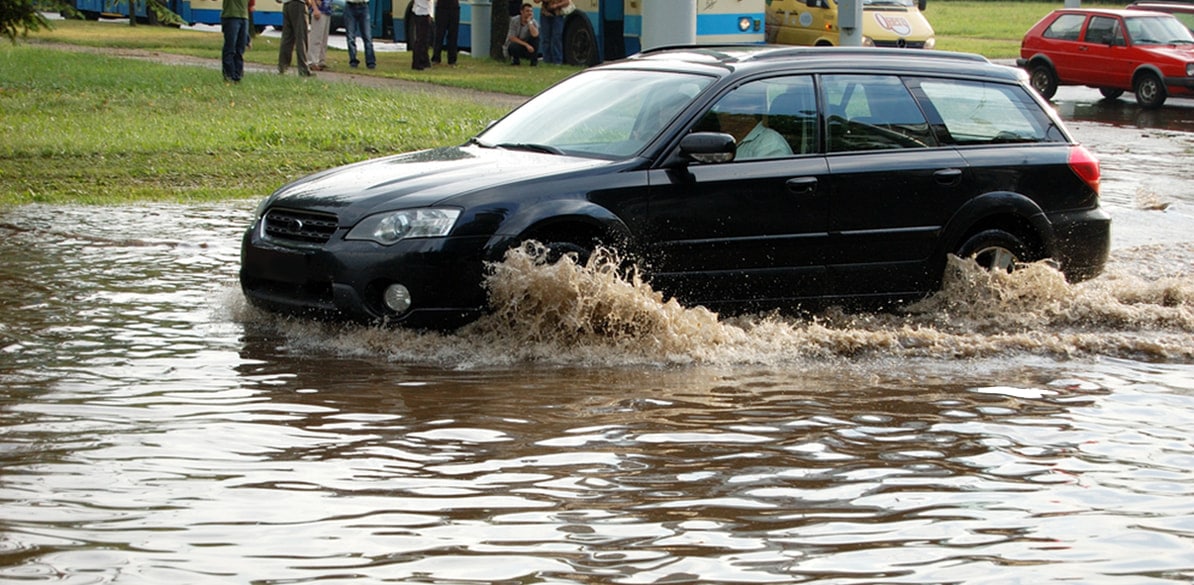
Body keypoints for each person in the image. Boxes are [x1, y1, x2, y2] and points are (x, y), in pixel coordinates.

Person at [710, 87, 792, 160]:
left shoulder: (770, 145)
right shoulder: (727, 139)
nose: (719, 112)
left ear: (748, 112)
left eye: (727, 107)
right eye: (720, 107)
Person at [278, 0, 319, 77]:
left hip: (286, 4)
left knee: (287, 38)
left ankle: (282, 67)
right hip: (299, 4)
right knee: (301, 37)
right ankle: (303, 69)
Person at [220, 0, 250, 82]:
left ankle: (237, 76)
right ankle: (229, 75)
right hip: (231, 16)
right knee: (230, 48)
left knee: (240, 49)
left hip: (244, 17)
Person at [534, 0, 570, 65]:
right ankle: (547, 60)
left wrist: (556, 5)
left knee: (557, 38)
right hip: (545, 14)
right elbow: (536, 1)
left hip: (558, 15)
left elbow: (567, 2)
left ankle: (557, 61)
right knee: (545, 39)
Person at [344, 0, 376, 69]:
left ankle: (370, 62)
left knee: (367, 36)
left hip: (364, 6)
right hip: (350, 6)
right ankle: (353, 60)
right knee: (350, 37)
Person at [432, 0, 460, 67]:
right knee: (439, 35)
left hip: (454, 7)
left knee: (453, 35)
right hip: (442, 7)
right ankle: (436, 58)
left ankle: (452, 60)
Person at [306, 0, 332, 71]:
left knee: (324, 39)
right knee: (316, 38)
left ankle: (321, 60)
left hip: (327, 10)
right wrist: (315, 9)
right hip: (319, 10)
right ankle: (312, 61)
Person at [410, 0, 432, 71]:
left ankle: (423, 61)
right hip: (421, 12)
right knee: (421, 39)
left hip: (422, 10)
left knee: (424, 39)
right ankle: (417, 63)